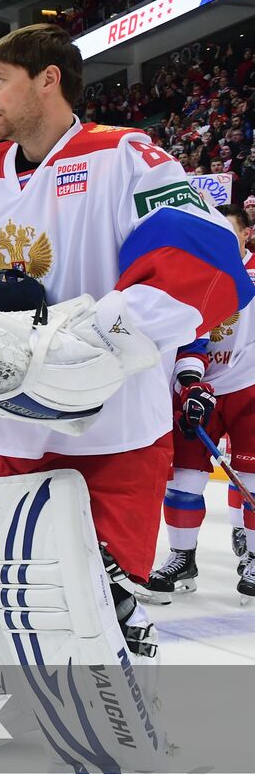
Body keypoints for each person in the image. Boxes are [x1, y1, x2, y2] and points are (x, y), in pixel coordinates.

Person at [0, 24, 249, 774]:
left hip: (114, 435)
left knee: (85, 609)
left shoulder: (128, 156)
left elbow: (208, 264)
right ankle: (40, 709)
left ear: (47, 79)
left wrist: (82, 339)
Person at [149, 204, 255, 602]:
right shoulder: (197, 274)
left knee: (252, 480)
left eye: (230, 231)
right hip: (200, 390)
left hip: (248, 389)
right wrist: (190, 382)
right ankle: (182, 558)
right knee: (183, 481)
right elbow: (188, 337)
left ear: (246, 233)